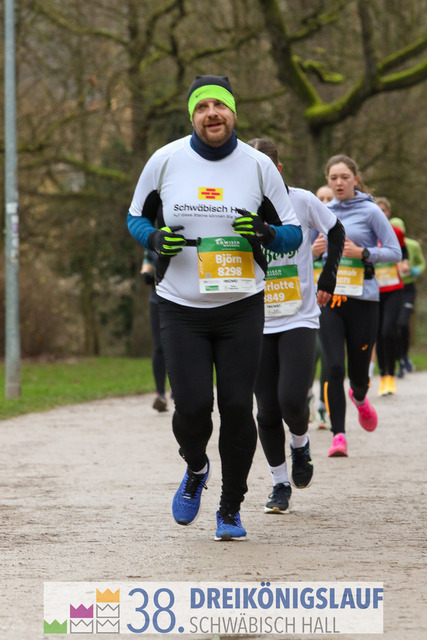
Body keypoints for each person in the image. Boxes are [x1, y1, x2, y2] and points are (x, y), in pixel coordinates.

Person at [127, 75, 302, 540]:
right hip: (180, 306)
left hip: (241, 306)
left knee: (237, 408)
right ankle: (196, 468)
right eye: (202, 107)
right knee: (192, 407)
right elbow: (135, 216)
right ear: (192, 116)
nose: (211, 114)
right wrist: (153, 238)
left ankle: (230, 507)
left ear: (233, 113)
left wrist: (266, 233)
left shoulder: (259, 166)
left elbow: (292, 233)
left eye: (219, 105)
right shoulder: (165, 160)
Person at [247, 138, 345, 513]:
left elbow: (335, 230)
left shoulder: (301, 201)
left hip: (298, 317)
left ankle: (300, 444)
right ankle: (279, 484)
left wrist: (328, 278)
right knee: (266, 411)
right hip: (254, 320)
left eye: (265, 170)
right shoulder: (239, 205)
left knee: (291, 399)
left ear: (278, 169)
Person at [317, 154, 402, 457]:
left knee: (358, 372)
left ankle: (361, 397)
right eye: (333, 178)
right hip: (329, 300)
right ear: (327, 181)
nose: (339, 183)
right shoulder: (322, 212)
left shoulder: (370, 211)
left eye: (344, 177)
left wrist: (364, 253)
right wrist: (313, 250)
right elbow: (302, 253)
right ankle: (338, 435)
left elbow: (394, 252)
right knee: (333, 366)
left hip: (363, 301)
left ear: (355, 179)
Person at [374, 197, 408, 396]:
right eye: (377, 210)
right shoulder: (367, 232)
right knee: (378, 333)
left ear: (388, 213)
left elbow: (404, 252)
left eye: (384, 210)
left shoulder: (396, 232)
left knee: (389, 330)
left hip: (394, 288)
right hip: (374, 290)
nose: (381, 214)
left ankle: (391, 375)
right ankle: (383, 375)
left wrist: (405, 263)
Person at [309, 184, 335, 429]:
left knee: (328, 353)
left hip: (334, 301)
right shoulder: (307, 226)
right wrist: (312, 252)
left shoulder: (340, 228)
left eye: (329, 198)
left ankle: (323, 404)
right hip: (307, 300)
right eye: (321, 198)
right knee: (312, 350)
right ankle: (306, 393)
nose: (325, 203)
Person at [390, 217, 426, 377]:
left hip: (407, 289)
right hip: (391, 289)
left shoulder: (413, 245)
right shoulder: (386, 246)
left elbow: (421, 263)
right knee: (391, 326)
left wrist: (414, 270)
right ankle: (398, 360)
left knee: (403, 323)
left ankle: (404, 355)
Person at [140, 250, 168, 412]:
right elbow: (147, 263)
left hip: (182, 302)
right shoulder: (152, 243)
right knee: (159, 347)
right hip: (157, 301)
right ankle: (160, 394)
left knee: (182, 346)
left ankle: (179, 390)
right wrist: (147, 274)